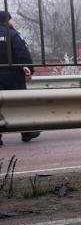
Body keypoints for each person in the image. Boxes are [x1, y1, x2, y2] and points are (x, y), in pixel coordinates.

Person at [0, 10, 40, 145]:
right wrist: (30, 70)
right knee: (20, 103)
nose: (13, 22)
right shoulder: (12, 34)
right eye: (11, 19)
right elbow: (23, 54)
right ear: (7, 21)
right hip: (12, 74)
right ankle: (27, 132)